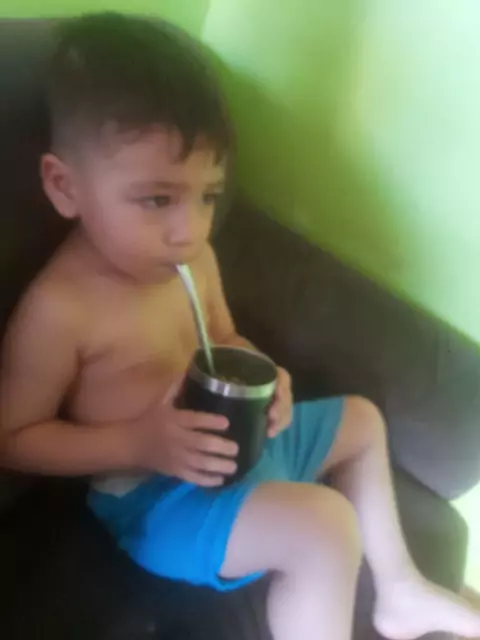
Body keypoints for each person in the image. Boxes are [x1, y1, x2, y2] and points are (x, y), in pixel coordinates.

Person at [0, 13, 479, 640]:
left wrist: (268, 379)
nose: (190, 229)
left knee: (363, 420)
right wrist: (139, 443)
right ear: (65, 186)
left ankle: (400, 591)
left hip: (238, 450)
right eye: (157, 199)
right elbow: (16, 438)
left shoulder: (193, 259)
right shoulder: (61, 309)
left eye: (208, 196)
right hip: (160, 499)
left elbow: (224, 337)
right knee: (325, 524)